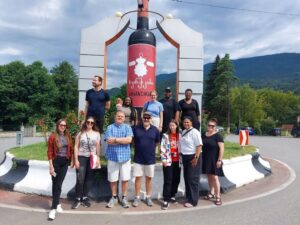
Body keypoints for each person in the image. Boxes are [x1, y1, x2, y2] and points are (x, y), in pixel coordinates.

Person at [105, 111, 133, 208]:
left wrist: (116, 140)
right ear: (115, 117)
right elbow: (109, 141)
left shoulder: (128, 127)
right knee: (113, 178)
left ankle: (124, 197)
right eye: (118, 116)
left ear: (124, 118)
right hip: (112, 157)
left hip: (125, 157)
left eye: (122, 116)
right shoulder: (109, 127)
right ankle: (114, 197)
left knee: (125, 178)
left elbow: (129, 140)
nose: (120, 117)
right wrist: (122, 140)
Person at [132, 112, 160, 207]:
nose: (146, 119)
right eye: (145, 117)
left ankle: (148, 197)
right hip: (138, 158)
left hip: (150, 158)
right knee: (138, 178)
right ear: (142, 118)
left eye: (148, 117)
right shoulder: (136, 128)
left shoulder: (155, 130)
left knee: (149, 179)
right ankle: (137, 197)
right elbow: (133, 141)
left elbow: (157, 142)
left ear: (151, 119)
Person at [47, 119, 74, 220]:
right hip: (56, 162)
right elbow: (49, 151)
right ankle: (54, 207)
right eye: (61, 125)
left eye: (65, 125)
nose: (63, 127)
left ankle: (56, 205)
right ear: (57, 126)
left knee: (59, 184)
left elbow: (70, 149)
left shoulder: (67, 136)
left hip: (65, 163)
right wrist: (51, 166)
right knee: (55, 184)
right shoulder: (53, 136)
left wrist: (71, 160)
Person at [72, 116, 100, 209]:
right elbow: (76, 146)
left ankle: (84, 197)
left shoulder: (96, 134)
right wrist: (76, 159)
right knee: (80, 179)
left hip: (92, 158)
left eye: (92, 123)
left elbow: (98, 146)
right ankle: (77, 198)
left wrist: (98, 158)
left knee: (89, 179)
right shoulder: (80, 133)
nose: (90, 124)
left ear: (94, 124)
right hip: (81, 157)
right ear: (85, 123)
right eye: (88, 122)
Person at [179, 116, 203, 207]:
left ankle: (193, 201)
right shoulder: (184, 131)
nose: (186, 124)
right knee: (187, 178)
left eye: (188, 122)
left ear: (191, 123)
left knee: (193, 179)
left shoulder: (195, 132)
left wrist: (196, 158)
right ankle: (189, 197)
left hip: (193, 157)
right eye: (185, 122)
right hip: (185, 157)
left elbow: (199, 146)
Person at [202, 118, 224, 206]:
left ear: (215, 127)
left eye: (212, 126)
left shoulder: (218, 136)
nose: (210, 127)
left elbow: (222, 149)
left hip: (215, 159)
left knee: (215, 178)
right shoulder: (204, 135)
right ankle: (211, 192)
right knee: (209, 176)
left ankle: (218, 196)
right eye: (209, 125)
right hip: (206, 158)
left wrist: (219, 160)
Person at [160, 120, 181, 210]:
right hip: (168, 161)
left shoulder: (180, 135)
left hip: (178, 161)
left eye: (173, 125)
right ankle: (166, 199)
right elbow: (162, 148)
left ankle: (172, 195)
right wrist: (163, 160)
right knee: (168, 180)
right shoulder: (165, 136)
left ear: (176, 126)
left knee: (176, 179)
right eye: (170, 125)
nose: (172, 127)